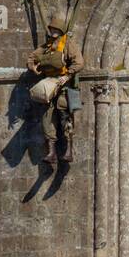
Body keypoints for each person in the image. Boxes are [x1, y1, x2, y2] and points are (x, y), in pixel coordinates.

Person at [26, 11, 83, 170]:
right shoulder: (47, 47)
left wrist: (68, 75)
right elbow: (32, 57)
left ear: (61, 31)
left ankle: (68, 151)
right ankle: (51, 153)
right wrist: (33, 67)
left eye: (56, 30)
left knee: (65, 114)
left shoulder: (68, 45)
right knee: (47, 118)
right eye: (52, 30)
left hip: (65, 85)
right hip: (49, 86)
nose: (53, 32)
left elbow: (79, 63)